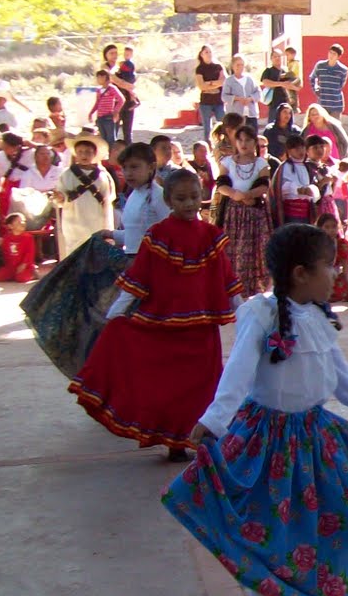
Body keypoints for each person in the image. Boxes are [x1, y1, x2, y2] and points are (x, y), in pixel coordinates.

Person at [166, 222, 348, 596]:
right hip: (269, 441)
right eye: (329, 266)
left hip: (316, 436)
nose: (336, 274)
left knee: (330, 520)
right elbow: (238, 371)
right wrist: (214, 420)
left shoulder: (319, 317)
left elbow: (338, 373)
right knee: (270, 529)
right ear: (301, 273)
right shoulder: (261, 314)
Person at [70, 169, 239, 461]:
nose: (189, 203)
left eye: (194, 197)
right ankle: (174, 442)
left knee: (203, 387)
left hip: (202, 331)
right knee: (170, 387)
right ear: (169, 200)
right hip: (164, 329)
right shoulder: (158, 235)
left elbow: (226, 278)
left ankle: (197, 439)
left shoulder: (211, 236)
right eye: (181, 198)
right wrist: (116, 314)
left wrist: (245, 312)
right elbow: (140, 277)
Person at [214, 125, 274, 296]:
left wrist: (248, 195)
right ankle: (233, 290)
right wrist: (235, 194)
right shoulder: (227, 162)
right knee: (233, 250)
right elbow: (221, 184)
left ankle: (253, 289)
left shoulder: (261, 164)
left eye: (248, 140)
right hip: (233, 214)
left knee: (254, 251)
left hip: (254, 214)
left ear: (254, 142)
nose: (243, 144)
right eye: (240, 140)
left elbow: (264, 185)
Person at [54, 133, 116, 258]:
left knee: (95, 254)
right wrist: (59, 197)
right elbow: (61, 195)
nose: (84, 155)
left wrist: (108, 227)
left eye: (88, 152)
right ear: (75, 153)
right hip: (73, 222)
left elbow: (107, 201)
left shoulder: (103, 176)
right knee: (74, 254)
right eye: (80, 152)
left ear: (94, 154)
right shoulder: (67, 174)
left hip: (96, 221)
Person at [0, 211, 38, 283]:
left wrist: (24, 264)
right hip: (11, 266)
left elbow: (30, 253)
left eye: (24, 221)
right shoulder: (7, 238)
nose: (22, 223)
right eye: (19, 222)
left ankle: (33, 273)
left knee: (21, 278)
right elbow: (5, 253)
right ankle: (14, 275)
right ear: (10, 226)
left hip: (25, 266)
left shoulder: (28, 237)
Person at [258, 48, 298, 124]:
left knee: (288, 125)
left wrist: (292, 86)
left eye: (279, 56)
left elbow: (294, 85)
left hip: (286, 104)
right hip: (274, 104)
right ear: (271, 59)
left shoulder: (286, 71)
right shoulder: (268, 71)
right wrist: (281, 84)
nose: (277, 58)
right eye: (275, 56)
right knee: (273, 125)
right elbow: (266, 82)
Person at [308, 43, 348, 117]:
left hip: (336, 104)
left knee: (334, 124)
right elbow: (312, 77)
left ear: (338, 56)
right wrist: (315, 89)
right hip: (322, 103)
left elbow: (341, 85)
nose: (331, 55)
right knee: (321, 123)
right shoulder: (320, 65)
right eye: (330, 52)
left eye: (334, 54)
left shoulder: (343, 69)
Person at [194, 45, 225, 137]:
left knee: (223, 124)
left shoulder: (218, 67)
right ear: (201, 54)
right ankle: (208, 143)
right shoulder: (199, 69)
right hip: (205, 102)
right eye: (206, 52)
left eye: (210, 52)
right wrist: (215, 85)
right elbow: (201, 86)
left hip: (219, 101)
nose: (209, 54)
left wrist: (209, 83)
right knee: (207, 127)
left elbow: (223, 81)